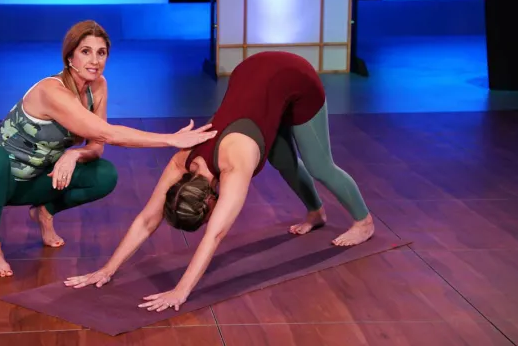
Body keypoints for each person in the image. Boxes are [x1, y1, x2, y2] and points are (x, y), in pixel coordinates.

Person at [63, 50, 375, 311]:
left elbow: (214, 236)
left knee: (319, 165)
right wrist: (107, 269)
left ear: (212, 199)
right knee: (282, 160)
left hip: (293, 76)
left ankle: (364, 222)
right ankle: (316, 212)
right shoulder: (181, 159)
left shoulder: (236, 166)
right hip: (251, 74)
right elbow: (147, 219)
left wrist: (181, 291)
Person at [0, 20, 216, 278]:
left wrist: (74, 154)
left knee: (104, 175)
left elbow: (97, 145)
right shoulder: (51, 90)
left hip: (33, 181)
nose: (94, 60)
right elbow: (107, 133)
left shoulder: (98, 86)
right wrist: (170, 139)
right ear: (70, 56)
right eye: (85, 51)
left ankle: (44, 212)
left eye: (101, 52)